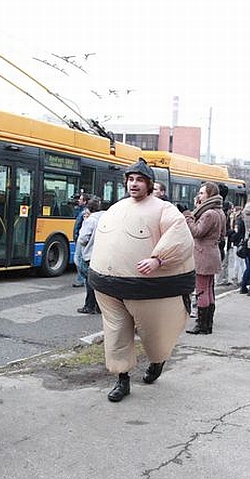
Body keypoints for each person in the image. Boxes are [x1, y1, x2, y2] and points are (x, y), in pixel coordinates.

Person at [89, 158, 195, 402]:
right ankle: (122, 380)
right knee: (116, 334)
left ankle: (157, 360)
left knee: (156, 336)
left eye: (139, 180)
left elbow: (181, 237)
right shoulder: (116, 208)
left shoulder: (163, 209)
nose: (133, 184)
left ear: (149, 184)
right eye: (130, 180)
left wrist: (158, 259)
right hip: (108, 287)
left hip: (151, 289)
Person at [184, 182, 226, 335]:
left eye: (202, 193)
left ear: (209, 194)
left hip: (203, 254)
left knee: (201, 290)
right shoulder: (219, 212)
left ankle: (202, 325)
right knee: (208, 289)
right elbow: (222, 235)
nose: (199, 195)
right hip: (212, 252)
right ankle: (207, 323)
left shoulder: (208, 213)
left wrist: (188, 217)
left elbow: (197, 231)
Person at [77, 197, 104, 314]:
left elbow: (83, 239)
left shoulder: (90, 220)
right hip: (101, 254)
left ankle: (89, 306)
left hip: (89, 254)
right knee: (98, 282)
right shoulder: (105, 217)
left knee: (89, 282)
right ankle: (99, 306)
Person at [72, 193, 90, 287]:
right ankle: (84, 278)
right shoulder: (80, 210)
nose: (79, 201)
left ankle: (82, 278)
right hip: (79, 238)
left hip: (81, 238)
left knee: (78, 259)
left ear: (85, 201)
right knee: (79, 259)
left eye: (81, 199)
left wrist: (77, 237)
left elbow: (80, 226)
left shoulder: (85, 212)